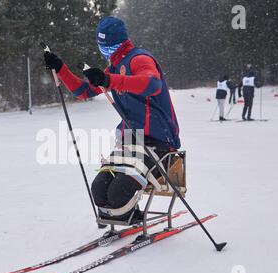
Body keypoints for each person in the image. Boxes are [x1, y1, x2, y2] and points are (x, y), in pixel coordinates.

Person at [44, 16, 181, 224]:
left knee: (118, 193)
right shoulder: (114, 67)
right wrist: (60, 68)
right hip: (130, 141)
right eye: (103, 48)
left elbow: (153, 84)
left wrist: (110, 80)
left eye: (110, 47)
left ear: (122, 42)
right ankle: (123, 215)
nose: (106, 53)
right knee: (98, 190)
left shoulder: (139, 58)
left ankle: (127, 213)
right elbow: (83, 91)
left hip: (158, 141)